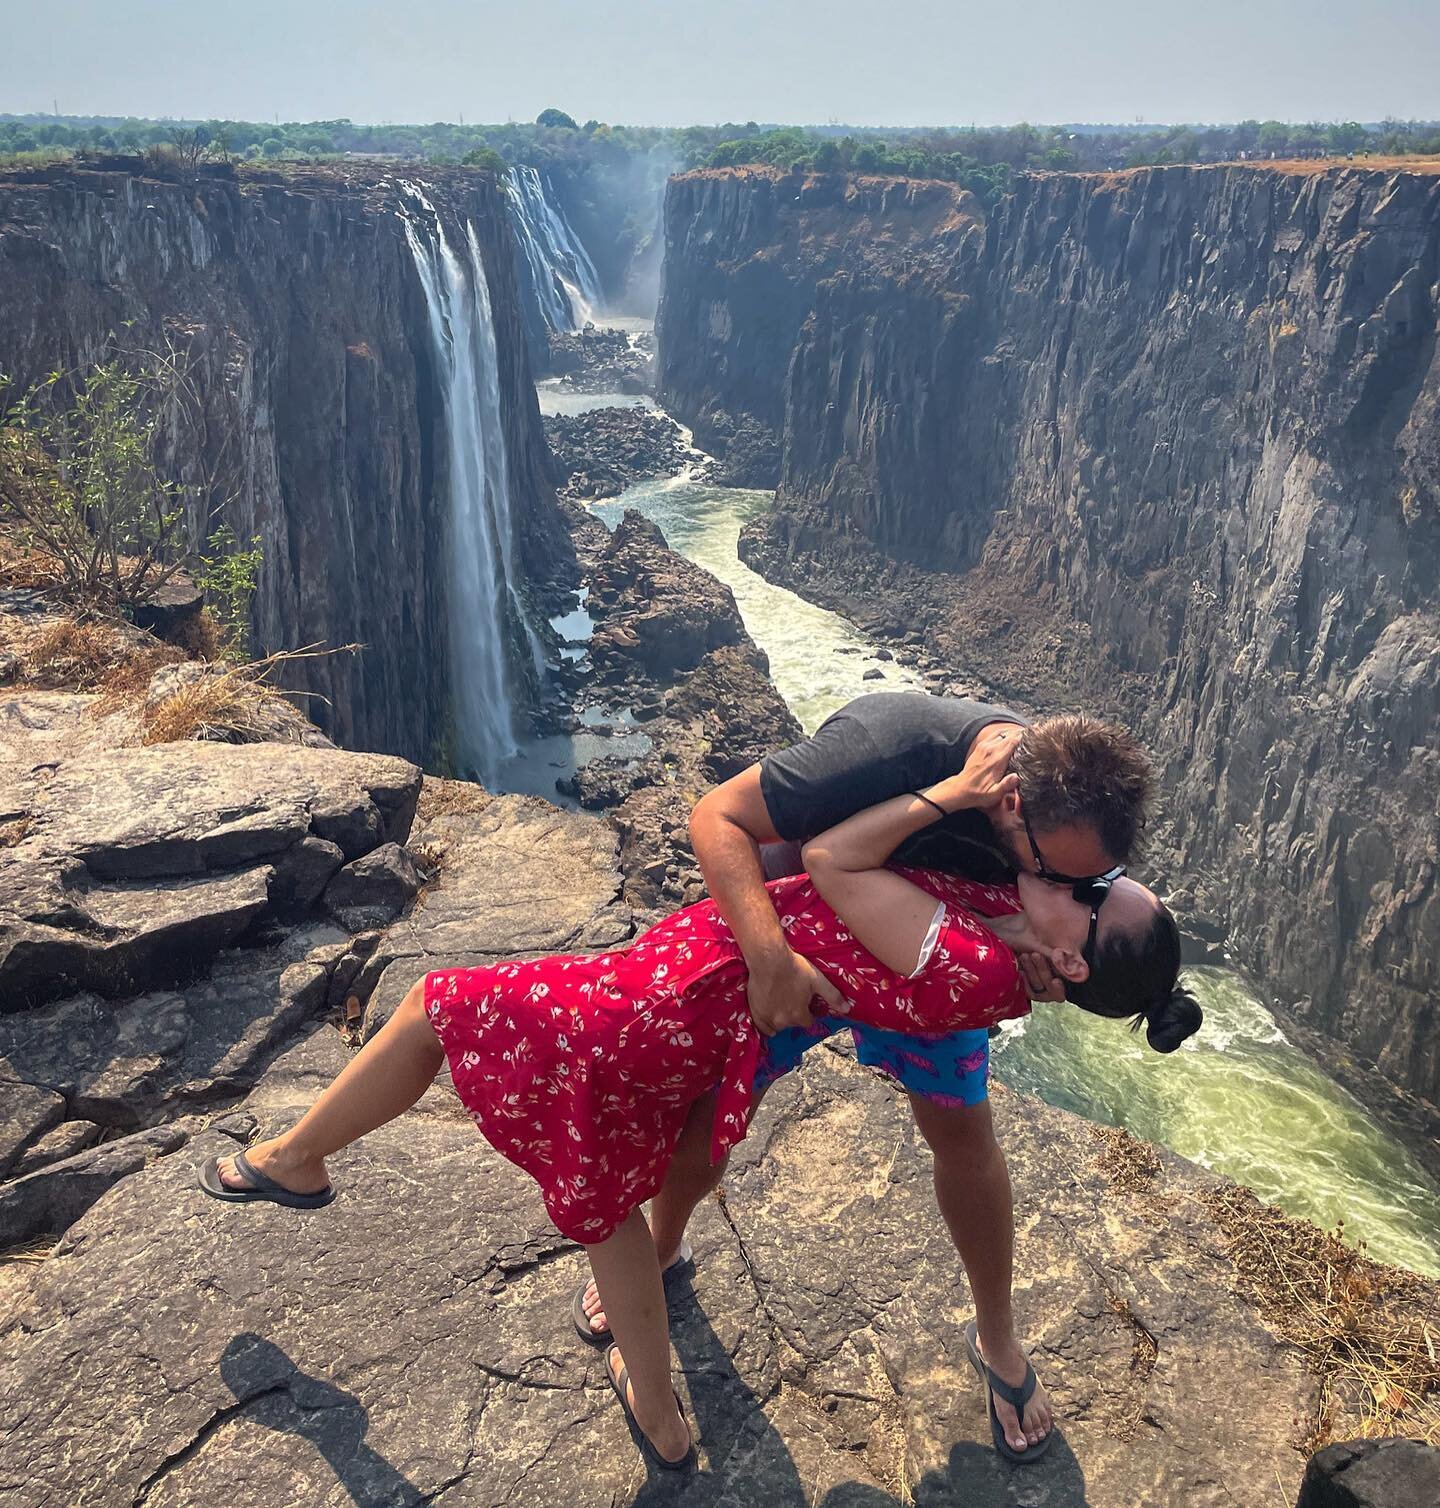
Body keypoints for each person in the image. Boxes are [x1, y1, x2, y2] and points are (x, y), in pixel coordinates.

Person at [199, 732, 1199, 1471]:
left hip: (691, 994)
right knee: (627, 1176)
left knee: (506, 1076)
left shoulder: (971, 947)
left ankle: (297, 1158)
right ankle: (660, 1399)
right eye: (1099, 873)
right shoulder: (997, 872)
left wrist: (944, 801)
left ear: (1070, 951)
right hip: (735, 991)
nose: (1092, 876)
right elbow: (726, 815)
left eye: (1097, 887)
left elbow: (832, 860)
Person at [581, 694, 1157, 1460]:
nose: (1076, 891)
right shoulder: (893, 746)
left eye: (1100, 880)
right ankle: (662, 1245)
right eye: (1069, 878)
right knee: (708, 1122)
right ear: (1009, 803)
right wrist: (767, 960)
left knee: (964, 1137)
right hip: (798, 944)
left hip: (921, 949)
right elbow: (716, 816)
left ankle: (998, 1339)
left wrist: (1030, 959)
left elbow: (1068, 916)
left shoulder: (1064, 812)